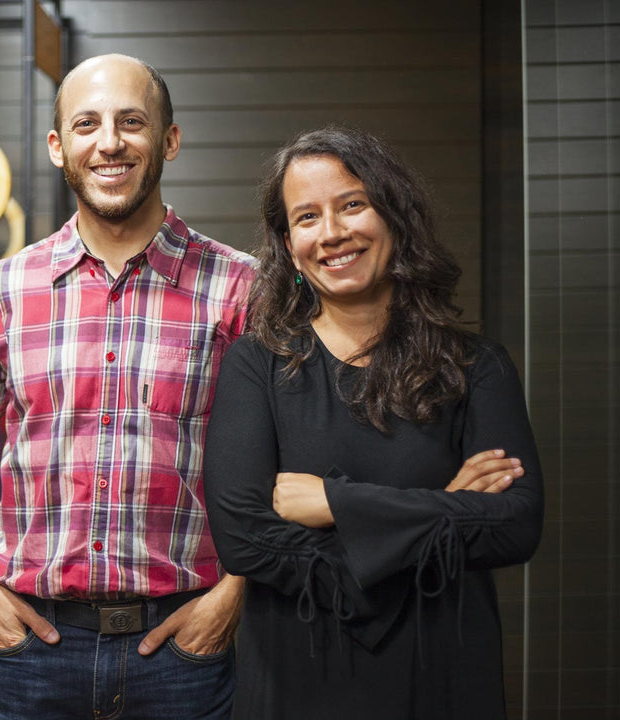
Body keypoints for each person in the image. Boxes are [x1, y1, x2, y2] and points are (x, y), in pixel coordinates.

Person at [0, 54, 257, 719]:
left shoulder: (242, 288)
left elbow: (281, 463)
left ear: (169, 139)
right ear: (58, 147)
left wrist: (235, 594)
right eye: (87, 125)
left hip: (184, 651)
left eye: (132, 122)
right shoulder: (1, 291)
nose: (110, 142)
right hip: (30, 653)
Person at [202, 125, 545, 719]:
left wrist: (336, 502)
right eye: (306, 218)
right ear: (288, 245)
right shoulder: (256, 365)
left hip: (441, 676)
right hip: (297, 680)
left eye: (352, 205)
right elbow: (244, 541)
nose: (332, 233)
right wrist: (439, 507)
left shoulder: (476, 366)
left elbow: (515, 527)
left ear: (393, 216)